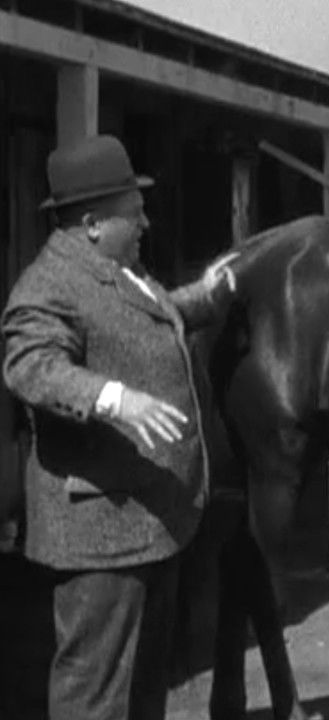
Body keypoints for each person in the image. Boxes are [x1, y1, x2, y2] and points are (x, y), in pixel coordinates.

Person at [2, 134, 236, 720]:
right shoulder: (48, 287)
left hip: (152, 524)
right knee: (95, 696)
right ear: (90, 223)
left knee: (142, 692)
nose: (146, 222)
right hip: (101, 533)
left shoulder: (118, 269)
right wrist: (115, 397)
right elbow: (30, 366)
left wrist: (206, 296)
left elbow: (152, 317)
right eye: (134, 213)